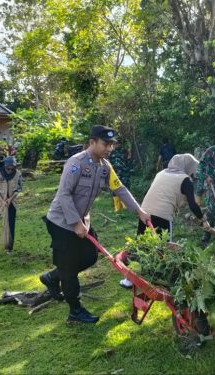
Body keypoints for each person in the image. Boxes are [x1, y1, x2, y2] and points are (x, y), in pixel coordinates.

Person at [38, 125, 151, 324]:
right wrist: (75, 223)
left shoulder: (104, 166)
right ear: (92, 142)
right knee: (69, 265)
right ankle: (75, 310)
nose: (109, 148)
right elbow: (64, 194)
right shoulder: (76, 163)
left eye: (111, 144)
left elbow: (120, 189)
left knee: (90, 256)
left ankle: (53, 277)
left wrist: (139, 211)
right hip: (62, 222)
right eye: (105, 144)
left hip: (82, 221)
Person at [119, 153, 209, 289]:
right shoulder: (185, 180)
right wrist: (203, 220)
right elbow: (193, 204)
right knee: (164, 249)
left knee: (141, 245)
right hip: (162, 215)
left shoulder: (161, 173)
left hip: (145, 211)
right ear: (187, 166)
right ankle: (159, 278)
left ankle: (129, 279)